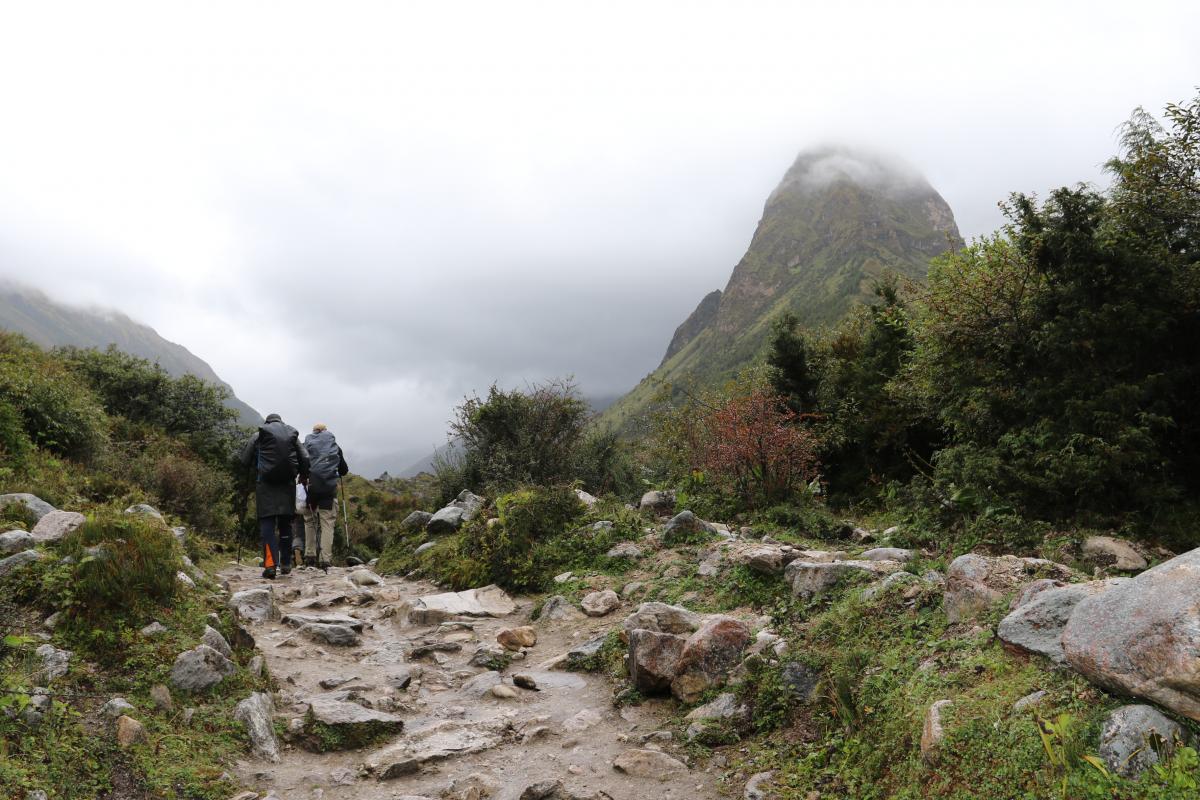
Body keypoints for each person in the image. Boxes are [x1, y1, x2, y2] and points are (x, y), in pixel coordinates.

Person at [239, 413, 310, 579]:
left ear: (267, 422)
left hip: (265, 486)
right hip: (288, 486)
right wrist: (303, 476)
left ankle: (270, 564)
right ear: (281, 422)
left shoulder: (259, 435)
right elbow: (305, 457)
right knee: (285, 525)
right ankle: (286, 564)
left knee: (267, 525)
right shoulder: (291, 435)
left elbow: (244, 460)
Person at [302, 422, 349, 569]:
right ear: (326, 431)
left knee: (309, 520)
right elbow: (344, 470)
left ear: (314, 432)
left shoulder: (306, 445)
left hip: (312, 488)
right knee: (327, 523)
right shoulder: (334, 445)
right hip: (329, 489)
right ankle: (325, 560)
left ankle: (310, 556)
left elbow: (301, 465)